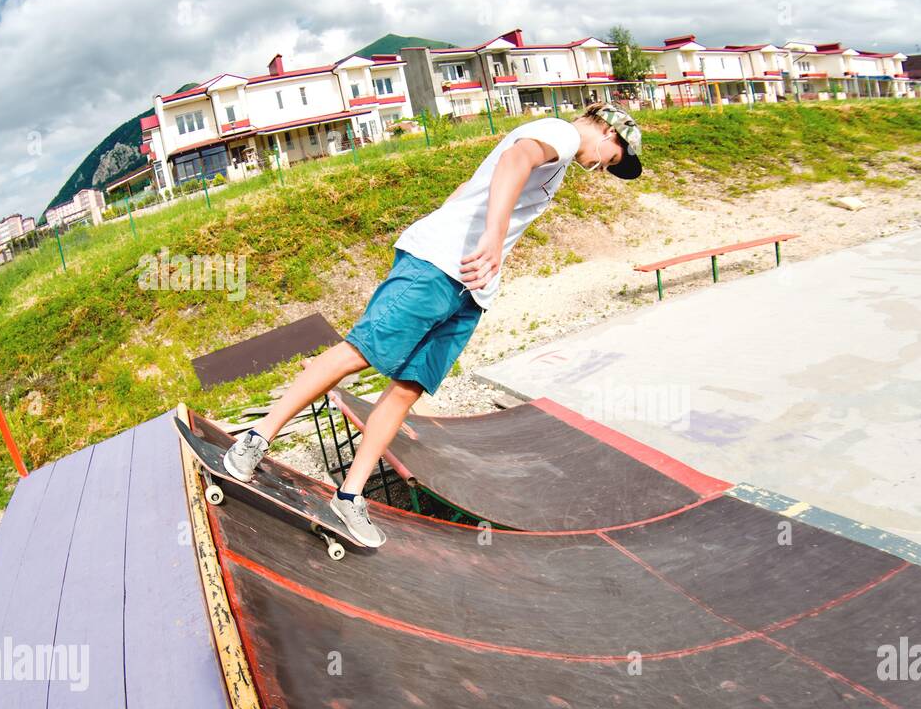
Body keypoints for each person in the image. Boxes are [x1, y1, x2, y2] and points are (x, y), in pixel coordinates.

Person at [222, 104, 643, 547]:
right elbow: (515, 160)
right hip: (438, 269)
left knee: (408, 387)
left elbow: (468, 188)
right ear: (608, 129)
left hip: (470, 288)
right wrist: (491, 238)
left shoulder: (560, 152)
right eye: (609, 157)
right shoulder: (562, 132)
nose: (599, 166)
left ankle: (348, 496)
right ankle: (253, 439)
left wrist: (457, 229)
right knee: (359, 352)